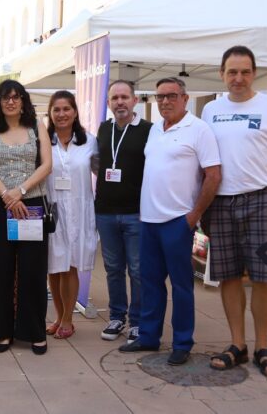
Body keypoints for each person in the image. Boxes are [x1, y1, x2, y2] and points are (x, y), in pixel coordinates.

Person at [201, 46, 267, 378]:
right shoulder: (211, 109)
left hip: (261, 201)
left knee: (263, 277)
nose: (238, 78)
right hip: (222, 203)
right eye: (231, 72)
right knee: (227, 275)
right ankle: (237, 345)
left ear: (254, 73)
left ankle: (263, 347)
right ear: (222, 74)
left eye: (244, 72)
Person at [119, 77, 221, 367]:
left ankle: (182, 342)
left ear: (185, 98)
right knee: (150, 283)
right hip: (149, 220)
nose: (165, 101)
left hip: (178, 221)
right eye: (159, 96)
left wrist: (194, 215)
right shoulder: (155, 131)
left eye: (171, 96)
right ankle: (149, 336)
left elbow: (213, 175)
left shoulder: (199, 129)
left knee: (181, 286)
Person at [0, 79, 52, 355]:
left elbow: (47, 164)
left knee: (32, 271)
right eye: (5, 98)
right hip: (0, 205)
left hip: (31, 205)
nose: (10, 102)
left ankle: (34, 332)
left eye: (16, 97)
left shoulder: (37, 127)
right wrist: (7, 196)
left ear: (23, 101)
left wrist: (20, 192)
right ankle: (2, 331)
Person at [94, 80, 152, 344]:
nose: (119, 102)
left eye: (124, 97)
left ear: (134, 100)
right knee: (113, 269)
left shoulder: (149, 130)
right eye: (115, 98)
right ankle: (117, 316)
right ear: (108, 103)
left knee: (138, 270)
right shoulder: (104, 129)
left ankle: (138, 322)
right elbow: (99, 163)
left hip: (135, 213)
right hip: (105, 211)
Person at [45, 90, 99, 339]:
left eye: (66, 109)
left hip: (79, 209)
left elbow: (101, 171)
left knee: (71, 267)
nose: (61, 114)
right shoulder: (44, 141)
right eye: (56, 109)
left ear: (75, 112)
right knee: (54, 268)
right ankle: (57, 316)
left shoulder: (89, 141)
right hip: (53, 210)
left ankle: (68, 319)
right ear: (50, 113)